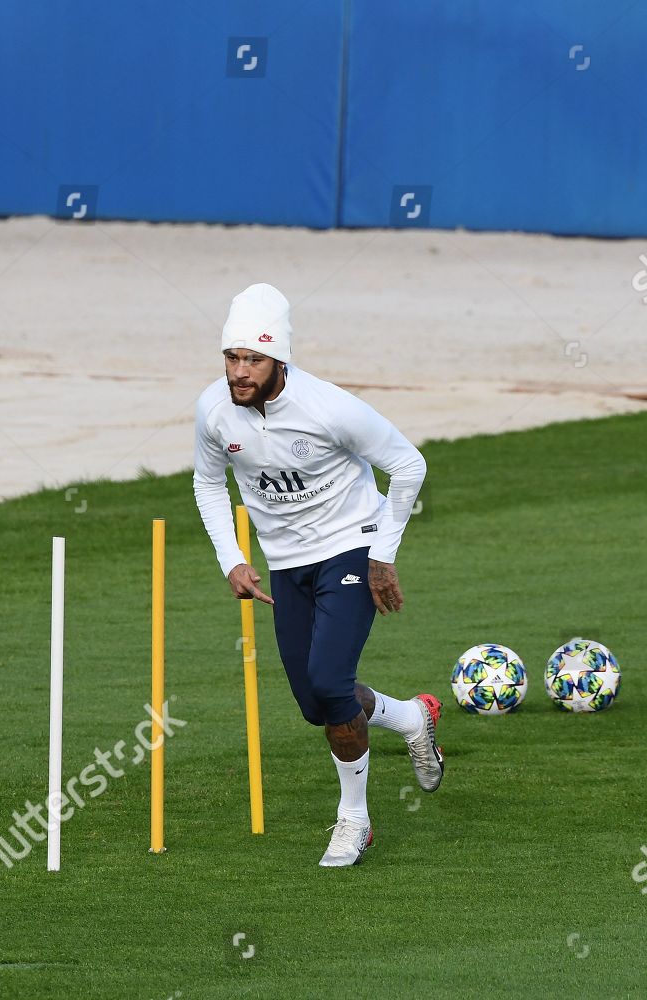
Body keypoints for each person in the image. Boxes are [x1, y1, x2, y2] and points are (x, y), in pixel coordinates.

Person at [192, 282, 441, 866]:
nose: (239, 371)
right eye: (231, 357)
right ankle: (411, 716)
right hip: (285, 565)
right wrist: (232, 558)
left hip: (350, 547)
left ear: (279, 358)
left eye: (251, 358)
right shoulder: (212, 410)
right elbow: (208, 482)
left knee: (331, 683)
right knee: (315, 704)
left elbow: (408, 465)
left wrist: (382, 554)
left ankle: (353, 820)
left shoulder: (329, 407)